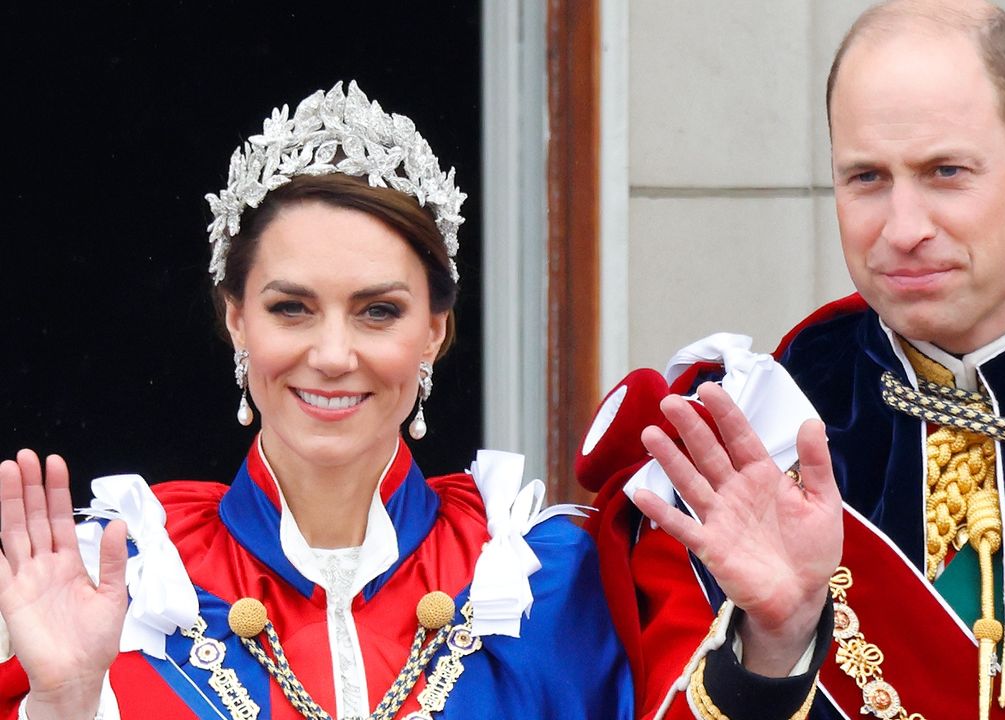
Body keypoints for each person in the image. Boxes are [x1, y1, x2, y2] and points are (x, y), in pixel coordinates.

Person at [576, 1, 1005, 718]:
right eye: (867, 178)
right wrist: (774, 645)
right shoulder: (744, 447)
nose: (904, 228)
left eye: (945, 171)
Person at [0, 81, 634, 719]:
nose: (333, 356)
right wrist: (64, 702)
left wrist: (743, 627)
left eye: (378, 311)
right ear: (238, 320)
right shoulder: (125, 587)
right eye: (292, 308)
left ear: (434, 331)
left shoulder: (541, 582)